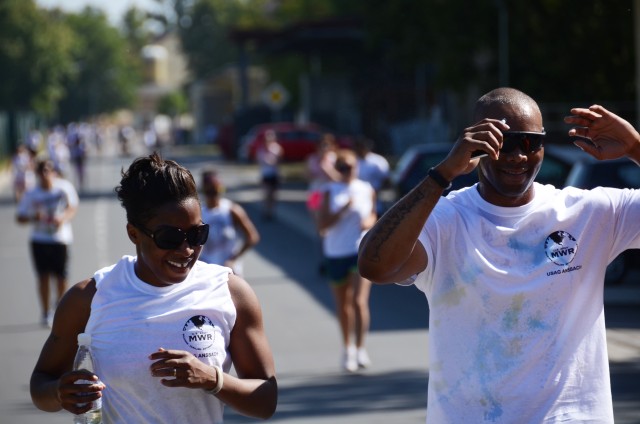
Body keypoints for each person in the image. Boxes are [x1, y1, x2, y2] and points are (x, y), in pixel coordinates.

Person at [358, 87, 640, 422]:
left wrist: (636, 147)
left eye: (529, 142)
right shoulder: (445, 221)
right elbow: (374, 265)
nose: (516, 155)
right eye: (502, 141)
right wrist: (442, 174)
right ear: (474, 142)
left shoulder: (590, 212)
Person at [30, 152, 277, 423]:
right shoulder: (89, 298)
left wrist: (212, 379)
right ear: (134, 233)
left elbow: (265, 400)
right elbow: (41, 384)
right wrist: (58, 393)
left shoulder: (230, 292)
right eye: (169, 237)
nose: (187, 250)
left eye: (197, 234)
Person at [317, 149, 377, 372]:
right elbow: (322, 225)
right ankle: (348, 348)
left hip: (359, 251)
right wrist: (341, 210)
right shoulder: (328, 191)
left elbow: (373, 214)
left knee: (359, 301)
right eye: (342, 167)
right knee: (343, 306)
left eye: (350, 167)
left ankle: (361, 348)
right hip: (335, 252)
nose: (347, 171)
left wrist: (368, 222)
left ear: (357, 167)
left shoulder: (366, 188)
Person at [16, 158, 79, 328]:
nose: (46, 175)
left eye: (48, 170)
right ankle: (45, 312)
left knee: (61, 277)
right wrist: (33, 217)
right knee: (43, 277)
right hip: (40, 239)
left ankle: (59, 308)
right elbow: (20, 217)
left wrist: (63, 218)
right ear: (37, 174)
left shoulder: (64, 187)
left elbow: (72, 206)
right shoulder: (31, 194)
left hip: (61, 238)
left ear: (54, 172)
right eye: (42, 171)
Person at [199, 168, 260, 276]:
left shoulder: (231, 210)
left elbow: (252, 236)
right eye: (209, 192)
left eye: (216, 190)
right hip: (207, 272)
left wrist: (234, 259)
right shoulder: (199, 214)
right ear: (203, 191)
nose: (213, 196)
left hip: (230, 272)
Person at [352, 135, 390, 215]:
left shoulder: (378, 161)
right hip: (357, 201)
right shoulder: (352, 161)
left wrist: (376, 192)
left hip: (377, 201)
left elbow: (386, 180)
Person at [256, 129, 283, 220]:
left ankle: (272, 211)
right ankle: (266, 211)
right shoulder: (261, 150)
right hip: (266, 174)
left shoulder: (276, 148)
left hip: (274, 174)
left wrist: (270, 160)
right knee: (266, 193)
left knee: (273, 195)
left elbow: (277, 160)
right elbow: (260, 161)